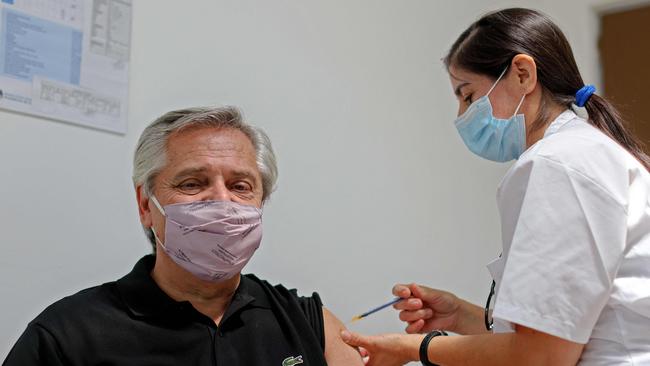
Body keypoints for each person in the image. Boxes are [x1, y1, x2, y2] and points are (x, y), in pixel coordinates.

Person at [340, 8, 650, 366]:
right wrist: (461, 316)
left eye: (468, 95)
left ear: (522, 74)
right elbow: (559, 337)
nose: (461, 116)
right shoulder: (588, 152)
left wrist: (414, 348)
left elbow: (543, 357)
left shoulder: (556, 164)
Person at [3, 106, 363, 366]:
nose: (222, 201)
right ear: (146, 204)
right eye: (192, 183)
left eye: (240, 186)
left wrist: (419, 347)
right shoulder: (68, 335)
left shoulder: (307, 320)